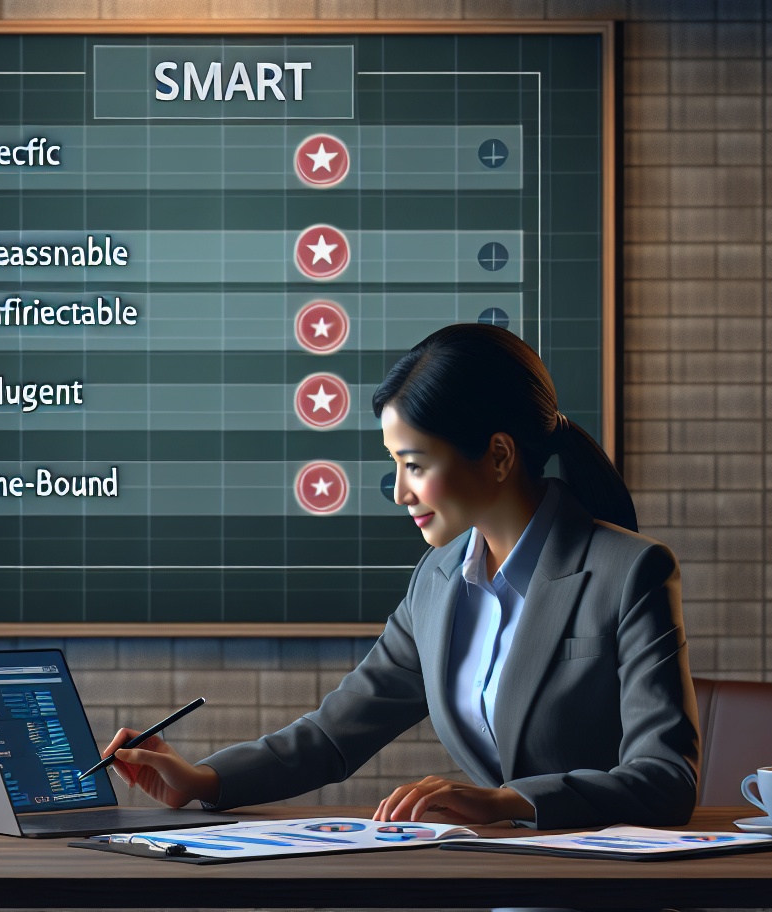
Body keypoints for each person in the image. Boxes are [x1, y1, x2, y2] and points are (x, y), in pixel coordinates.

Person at [101, 323, 700, 828]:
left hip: (607, 891)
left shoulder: (630, 571)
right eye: (395, 464)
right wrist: (202, 780)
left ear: (497, 455)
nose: (399, 492)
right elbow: (334, 736)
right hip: (500, 880)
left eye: (414, 464)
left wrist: (506, 801)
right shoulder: (439, 580)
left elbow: (666, 778)